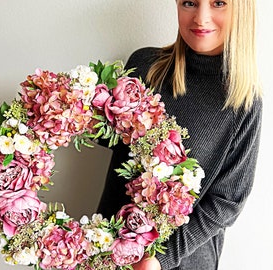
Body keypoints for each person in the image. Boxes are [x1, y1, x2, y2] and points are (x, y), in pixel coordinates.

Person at [97, 0, 263, 269]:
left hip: (181, 262)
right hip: (108, 250)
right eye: (189, 3)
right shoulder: (144, 66)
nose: (201, 18)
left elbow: (227, 202)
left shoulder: (242, 102)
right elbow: (111, 142)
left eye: (218, 3)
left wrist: (159, 259)